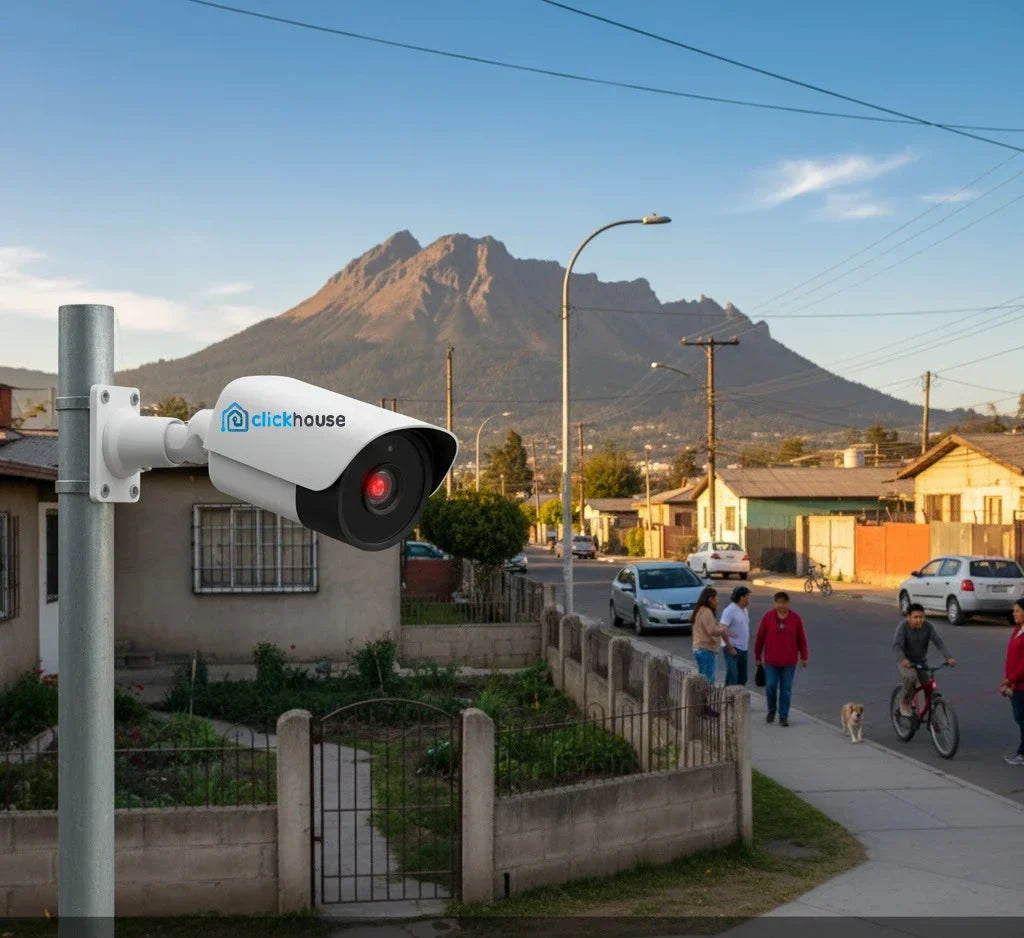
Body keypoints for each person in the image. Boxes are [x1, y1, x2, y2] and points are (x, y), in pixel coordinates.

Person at [754, 591, 808, 727]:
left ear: (788, 603)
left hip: (789, 662)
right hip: (771, 661)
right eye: (778, 602)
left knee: (786, 689)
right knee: (771, 686)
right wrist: (757, 656)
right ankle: (771, 710)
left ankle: (783, 716)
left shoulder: (795, 618)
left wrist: (804, 656)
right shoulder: (768, 617)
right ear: (775, 603)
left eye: (783, 602)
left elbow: (801, 639)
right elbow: (760, 638)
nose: (781, 605)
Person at [893, 603, 956, 718]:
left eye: (921, 617)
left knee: (930, 688)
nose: (919, 620)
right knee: (911, 677)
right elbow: (897, 646)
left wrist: (949, 657)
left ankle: (934, 718)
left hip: (920, 662)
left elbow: (938, 642)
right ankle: (905, 703)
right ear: (909, 617)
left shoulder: (928, 627)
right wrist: (903, 659)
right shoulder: (903, 627)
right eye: (915, 617)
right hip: (906, 662)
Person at [692, 586, 735, 688]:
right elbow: (712, 631)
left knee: (703, 678)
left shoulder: (700, 610)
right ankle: (704, 702)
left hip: (700, 648)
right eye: (716, 598)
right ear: (710, 599)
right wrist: (723, 629)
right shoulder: (707, 612)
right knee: (708, 681)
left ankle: (701, 700)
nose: (718, 601)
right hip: (706, 649)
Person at [998, 598, 1024, 766]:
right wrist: (1007, 680)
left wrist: (1012, 678)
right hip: (1014, 682)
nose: (1013, 613)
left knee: (1022, 718)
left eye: (1017, 610)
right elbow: (1011, 657)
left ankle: (1022, 754)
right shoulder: (1017, 630)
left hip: (1021, 683)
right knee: (1020, 718)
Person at [721, 586, 752, 686]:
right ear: (742, 597)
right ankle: (728, 699)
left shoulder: (744, 610)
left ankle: (737, 700)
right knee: (733, 677)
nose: (749, 598)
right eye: (748, 596)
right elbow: (722, 629)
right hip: (732, 648)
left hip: (743, 649)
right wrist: (730, 647)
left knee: (743, 678)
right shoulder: (730, 611)